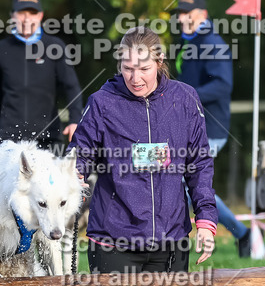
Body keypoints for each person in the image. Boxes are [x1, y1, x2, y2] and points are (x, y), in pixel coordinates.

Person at [68, 26, 217, 273]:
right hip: (113, 240)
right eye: (128, 69)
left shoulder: (185, 99)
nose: (135, 79)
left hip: (170, 239)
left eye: (144, 69)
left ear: (159, 63)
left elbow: (200, 165)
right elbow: (79, 155)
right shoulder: (102, 103)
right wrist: (73, 176)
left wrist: (206, 219)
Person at [174, 0, 252, 257]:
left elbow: (222, 85)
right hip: (191, 126)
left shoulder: (213, 42)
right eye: (180, 14)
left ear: (203, 15)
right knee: (185, 185)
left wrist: (186, 97)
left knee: (191, 186)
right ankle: (243, 233)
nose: (183, 18)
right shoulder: (189, 41)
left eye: (188, 13)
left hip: (212, 128)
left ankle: (244, 233)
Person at [0, 0, 83, 154]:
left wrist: (75, 121)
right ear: (13, 16)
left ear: (40, 16)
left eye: (32, 13)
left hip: (48, 139)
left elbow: (71, 87)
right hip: (8, 142)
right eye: (21, 12)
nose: (27, 18)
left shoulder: (56, 46)